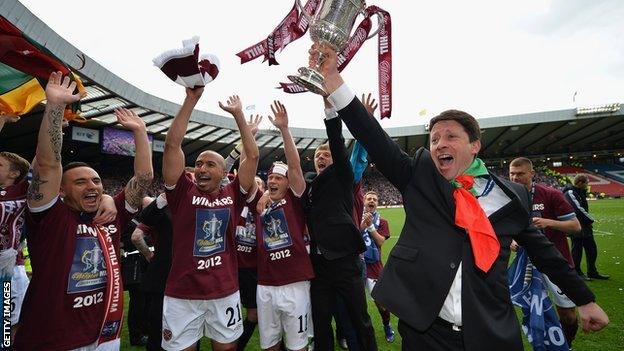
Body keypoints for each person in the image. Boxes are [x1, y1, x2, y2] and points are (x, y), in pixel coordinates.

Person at [308, 44, 609, 350]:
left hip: (488, 331)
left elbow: (544, 252)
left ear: (474, 145)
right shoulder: (419, 178)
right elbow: (373, 136)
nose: (440, 144)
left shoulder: (509, 195)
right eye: (434, 138)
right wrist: (334, 80)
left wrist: (584, 300)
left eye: (451, 136)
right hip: (425, 332)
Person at [16, 71, 153, 350]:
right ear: (61, 191)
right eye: (80, 182)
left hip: (104, 335)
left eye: (96, 181)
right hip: (52, 339)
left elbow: (143, 178)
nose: (92, 186)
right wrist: (54, 106)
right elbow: (47, 165)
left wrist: (140, 132)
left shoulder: (110, 213)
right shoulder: (49, 216)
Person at [161, 87, 259, 351]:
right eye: (199, 164)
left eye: (209, 164)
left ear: (224, 173)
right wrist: (190, 100)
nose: (201, 168)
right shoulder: (182, 191)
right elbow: (172, 145)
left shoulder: (233, 193)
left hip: (224, 290)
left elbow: (252, 156)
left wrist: (239, 115)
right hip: (182, 293)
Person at [302, 95, 377, 350]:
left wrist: (330, 109)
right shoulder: (308, 186)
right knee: (321, 323)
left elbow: (338, 142)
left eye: (327, 155)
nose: (321, 158)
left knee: (360, 321)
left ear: (336, 159)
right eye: (317, 155)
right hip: (319, 266)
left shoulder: (344, 177)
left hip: (346, 263)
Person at [253, 101, 314, 351]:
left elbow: (295, 166)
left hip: (295, 282)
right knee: (269, 343)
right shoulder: (260, 202)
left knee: (297, 344)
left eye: (279, 178)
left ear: (288, 183)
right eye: (270, 178)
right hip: (265, 283)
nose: (273, 181)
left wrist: (284, 130)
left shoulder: (295, 197)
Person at [508, 157, 582, 346]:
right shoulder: (507, 197)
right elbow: (504, 229)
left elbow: (575, 226)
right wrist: (512, 241)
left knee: (567, 314)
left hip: (556, 262)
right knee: (529, 310)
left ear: (532, 174)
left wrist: (549, 222)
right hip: (526, 267)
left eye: (520, 174)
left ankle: (567, 344)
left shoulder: (551, 194)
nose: (515, 178)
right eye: (512, 174)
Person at [360, 190, 395, 343]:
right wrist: (362, 225)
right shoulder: (355, 217)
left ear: (377, 203)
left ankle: (386, 325)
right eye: (369, 198)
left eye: (374, 199)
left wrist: (370, 227)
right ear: (364, 201)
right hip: (357, 266)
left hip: (374, 267)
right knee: (356, 304)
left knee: (381, 303)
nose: (372, 201)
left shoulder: (383, 222)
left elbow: (380, 241)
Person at [563, 174, 609, 280]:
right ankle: (577, 272)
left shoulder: (579, 191)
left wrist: (587, 222)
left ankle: (592, 271)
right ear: (580, 183)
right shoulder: (570, 192)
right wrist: (590, 219)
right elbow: (577, 209)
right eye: (586, 183)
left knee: (591, 249)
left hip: (584, 225)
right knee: (577, 249)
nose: (587, 185)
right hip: (576, 225)